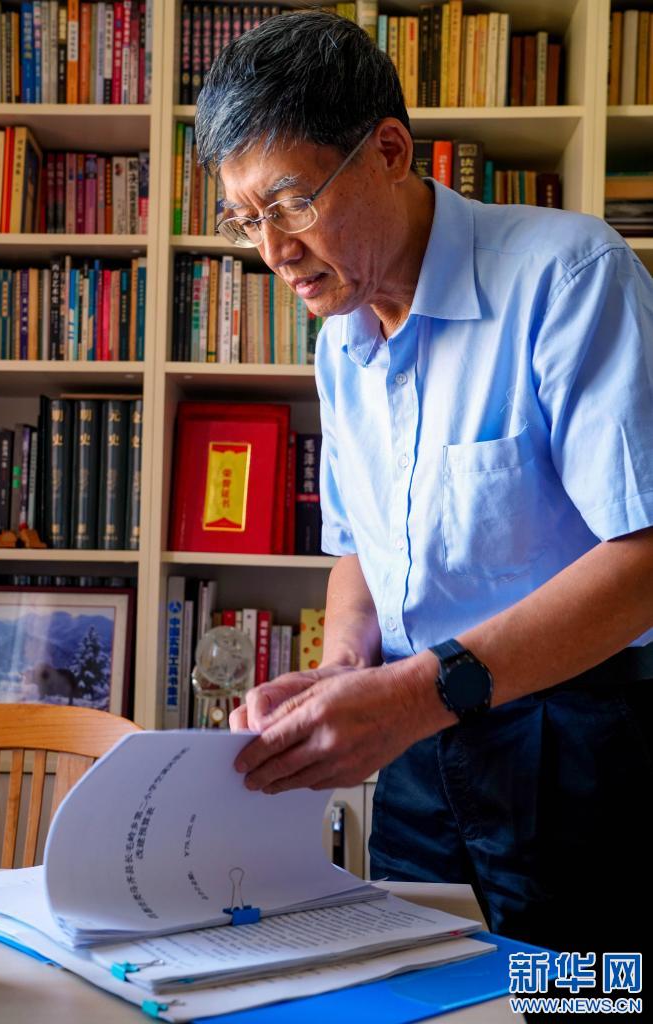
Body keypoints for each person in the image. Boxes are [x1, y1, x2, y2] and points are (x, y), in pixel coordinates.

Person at [194, 11, 653, 963]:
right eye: (244, 219)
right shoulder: (341, 342)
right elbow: (360, 548)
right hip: (418, 748)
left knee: (582, 1001)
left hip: (580, 745)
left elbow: (643, 559)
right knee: (421, 990)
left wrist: (408, 695)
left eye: (290, 203)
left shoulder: (568, 276)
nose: (272, 250)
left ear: (389, 151)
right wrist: (345, 666)